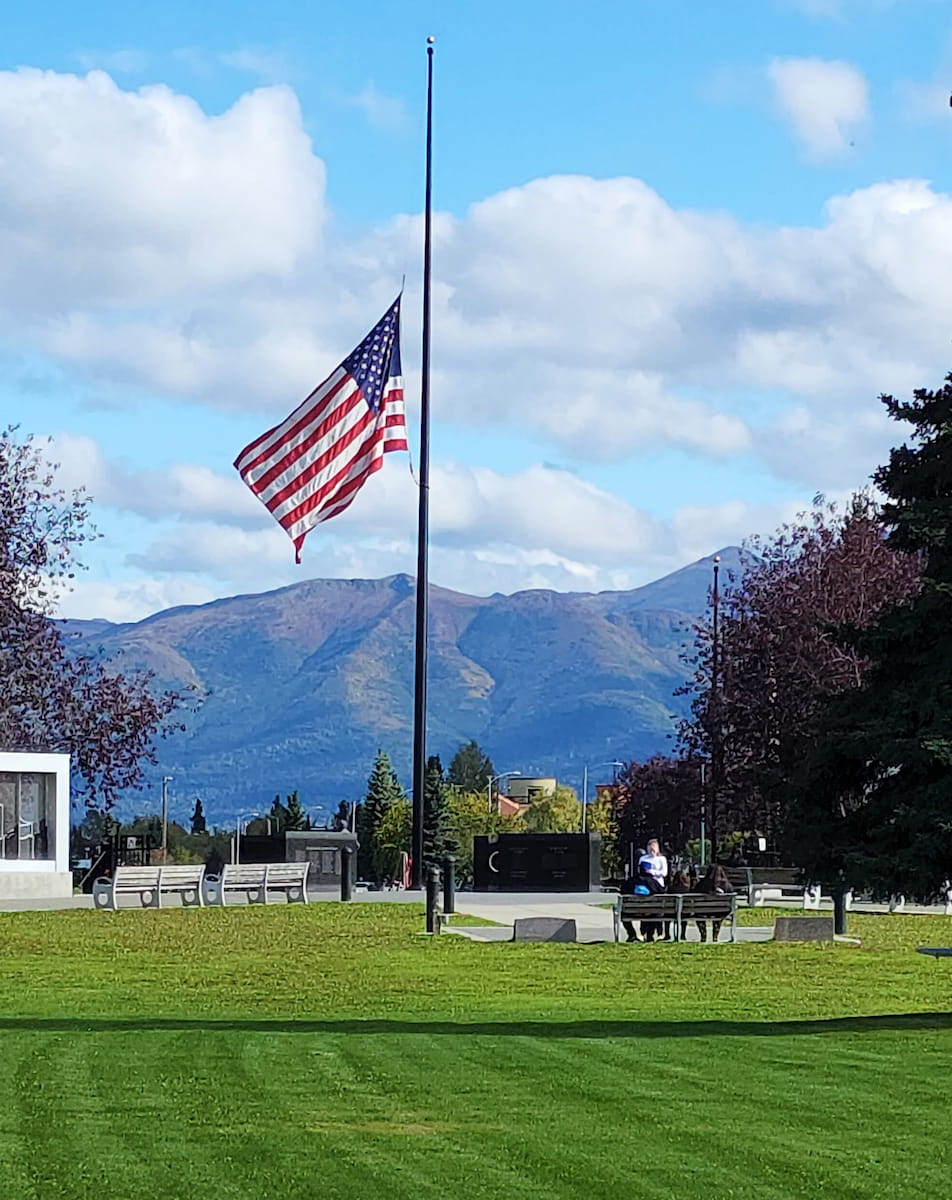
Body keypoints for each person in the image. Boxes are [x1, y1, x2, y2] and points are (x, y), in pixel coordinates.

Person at [695, 864, 733, 943]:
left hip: (703, 911)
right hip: (720, 911)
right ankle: (715, 936)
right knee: (720, 913)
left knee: (698, 913)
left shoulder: (701, 884)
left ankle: (703, 936)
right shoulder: (727, 885)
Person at [667, 866, 695, 941]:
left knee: (667, 916)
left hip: (671, 912)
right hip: (684, 912)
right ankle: (683, 934)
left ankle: (667, 934)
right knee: (684, 917)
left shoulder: (671, 888)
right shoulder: (687, 889)